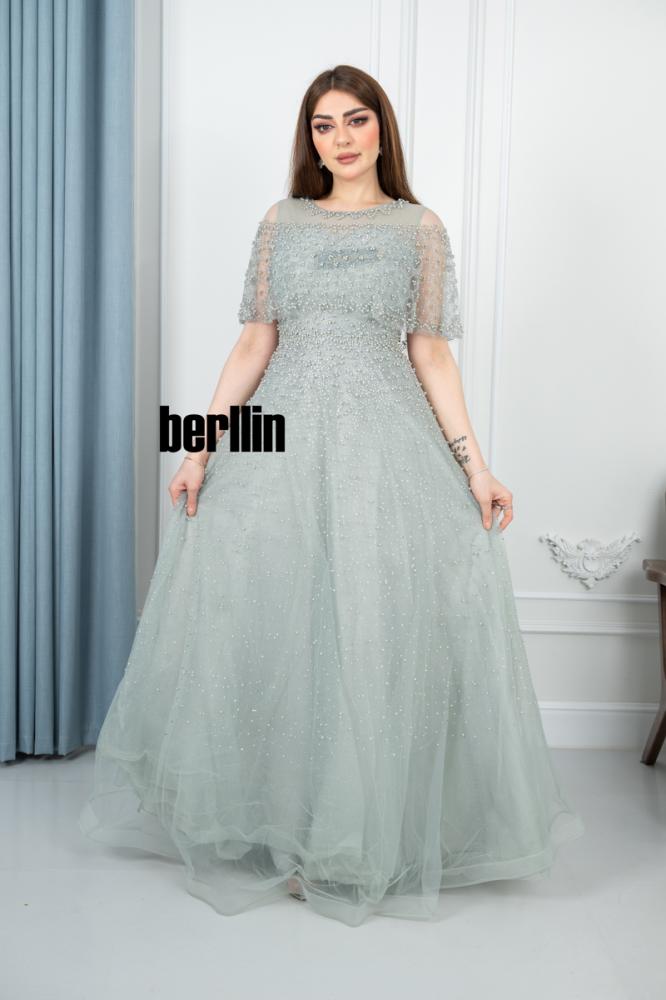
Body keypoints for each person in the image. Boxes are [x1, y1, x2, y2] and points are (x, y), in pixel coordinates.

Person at [78, 64, 584, 927]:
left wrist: (476, 467)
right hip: (280, 438)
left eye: (355, 120)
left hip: (386, 447)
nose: (340, 138)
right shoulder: (282, 223)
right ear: (309, 140)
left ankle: (352, 836)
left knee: (370, 627)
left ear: (382, 129)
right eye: (323, 125)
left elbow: (431, 354)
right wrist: (199, 450)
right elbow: (253, 344)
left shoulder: (420, 229)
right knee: (276, 618)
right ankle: (280, 826)